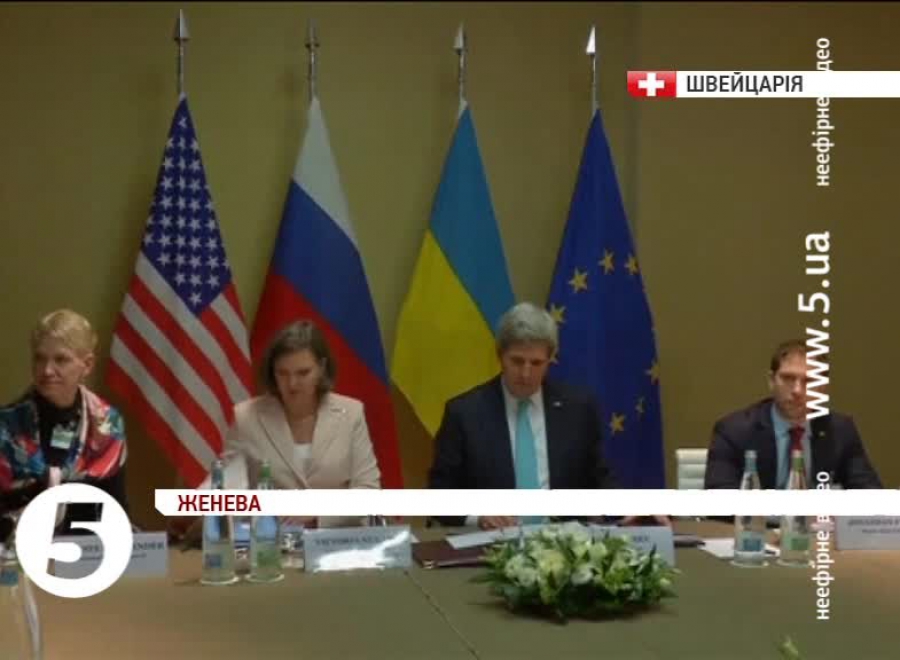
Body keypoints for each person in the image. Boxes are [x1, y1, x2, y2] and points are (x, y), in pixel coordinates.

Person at [428, 302, 664, 529]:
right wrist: (479, 516)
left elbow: (599, 477)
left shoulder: (578, 409)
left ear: (550, 360)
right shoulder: (465, 413)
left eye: (536, 363)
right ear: (500, 356)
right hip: (491, 542)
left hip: (563, 543)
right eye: (517, 361)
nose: (526, 373)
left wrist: (631, 510)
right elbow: (439, 493)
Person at [186, 320, 380, 533]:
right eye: (283, 373)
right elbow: (224, 482)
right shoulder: (247, 417)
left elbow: (369, 491)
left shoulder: (350, 413)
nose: (292, 384)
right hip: (272, 541)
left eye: (303, 373)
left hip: (338, 539)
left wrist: (317, 513)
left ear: (321, 368)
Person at [0, 310, 128, 540]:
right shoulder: (6, 427)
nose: (47, 370)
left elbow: (115, 508)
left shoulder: (107, 425)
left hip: (87, 550)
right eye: (40, 358)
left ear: (87, 365)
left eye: (60, 359)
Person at [704, 338, 881, 490]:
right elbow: (719, 502)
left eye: (809, 381)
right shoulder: (734, 430)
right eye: (788, 378)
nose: (797, 390)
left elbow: (870, 497)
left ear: (823, 387)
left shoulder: (840, 430)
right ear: (771, 381)